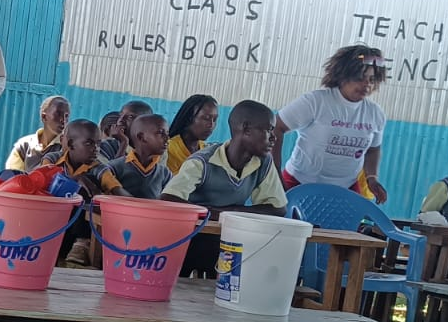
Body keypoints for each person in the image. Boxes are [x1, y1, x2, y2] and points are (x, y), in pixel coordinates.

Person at [163, 100, 286, 277]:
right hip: (188, 240)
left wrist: (228, 213)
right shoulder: (202, 162)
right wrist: (213, 214)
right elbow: (168, 199)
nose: (274, 138)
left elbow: (277, 209)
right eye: (268, 130)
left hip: (226, 243)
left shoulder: (263, 163)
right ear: (246, 129)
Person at [274, 46, 389, 203]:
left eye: (372, 79)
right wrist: (275, 172)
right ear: (343, 75)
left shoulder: (375, 113)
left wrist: (372, 178)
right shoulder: (315, 102)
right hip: (299, 182)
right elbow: (275, 127)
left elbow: (373, 149)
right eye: (360, 78)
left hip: (346, 188)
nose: (366, 84)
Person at [41, 119, 132, 265]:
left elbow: (118, 190)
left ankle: (82, 243)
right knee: (75, 185)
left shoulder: (98, 168)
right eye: (89, 143)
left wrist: (139, 205)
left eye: (98, 144)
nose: (96, 149)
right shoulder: (52, 159)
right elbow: (43, 181)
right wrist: (76, 179)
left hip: (75, 229)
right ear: (71, 144)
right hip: (49, 221)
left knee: (88, 187)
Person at [110, 112, 171, 199]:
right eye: (160, 133)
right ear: (141, 137)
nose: (167, 138)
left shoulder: (165, 173)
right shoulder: (115, 167)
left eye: (167, 133)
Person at [5, 95, 69, 171]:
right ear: (44, 117)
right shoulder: (24, 146)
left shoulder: (67, 147)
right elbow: (12, 175)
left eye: (66, 116)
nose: (63, 120)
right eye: (58, 114)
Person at [164, 94, 219, 175]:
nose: (211, 125)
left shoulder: (206, 150)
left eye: (215, 119)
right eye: (206, 118)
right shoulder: (169, 150)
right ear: (189, 118)